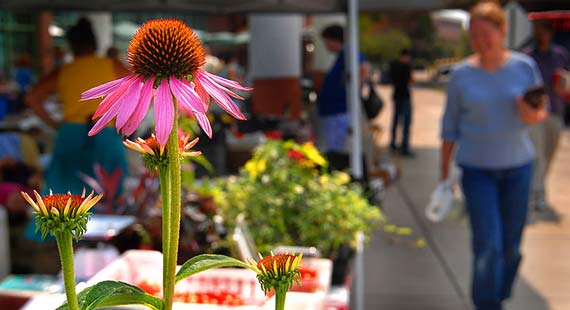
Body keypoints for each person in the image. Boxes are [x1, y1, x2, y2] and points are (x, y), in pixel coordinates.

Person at [440, 1, 547, 309]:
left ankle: (497, 292)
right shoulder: (460, 75)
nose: (480, 41)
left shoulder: (523, 67)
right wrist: (444, 172)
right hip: (476, 170)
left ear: (502, 31)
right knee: (487, 244)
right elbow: (449, 128)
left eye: (486, 33)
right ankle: (487, 303)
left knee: (511, 247)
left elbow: (541, 112)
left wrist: (530, 113)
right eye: (474, 35)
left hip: (518, 169)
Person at [26, 17, 129, 197]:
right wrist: (124, 119)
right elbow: (138, 90)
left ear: (72, 45)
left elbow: (32, 97)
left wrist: (54, 123)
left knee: (62, 195)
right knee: (110, 196)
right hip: (104, 131)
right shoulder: (111, 65)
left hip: (71, 134)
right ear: (94, 43)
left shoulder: (65, 70)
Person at [524, 20, 570, 211]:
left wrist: (565, 83)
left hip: (555, 111)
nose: (540, 34)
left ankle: (537, 189)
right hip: (534, 114)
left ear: (550, 33)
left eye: (543, 31)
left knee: (549, 154)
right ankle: (537, 195)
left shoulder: (560, 56)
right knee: (538, 156)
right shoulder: (527, 57)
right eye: (537, 31)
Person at [318, 24, 369, 152]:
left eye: (326, 41)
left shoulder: (347, 53)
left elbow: (363, 67)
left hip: (338, 111)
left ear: (334, 40)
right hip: (334, 110)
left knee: (336, 150)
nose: (326, 45)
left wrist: (354, 86)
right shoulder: (342, 56)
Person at [389, 48, 414, 156]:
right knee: (406, 123)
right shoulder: (406, 66)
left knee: (395, 120)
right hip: (405, 96)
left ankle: (393, 143)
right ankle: (404, 147)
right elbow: (410, 80)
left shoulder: (394, 66)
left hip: (396, 95)